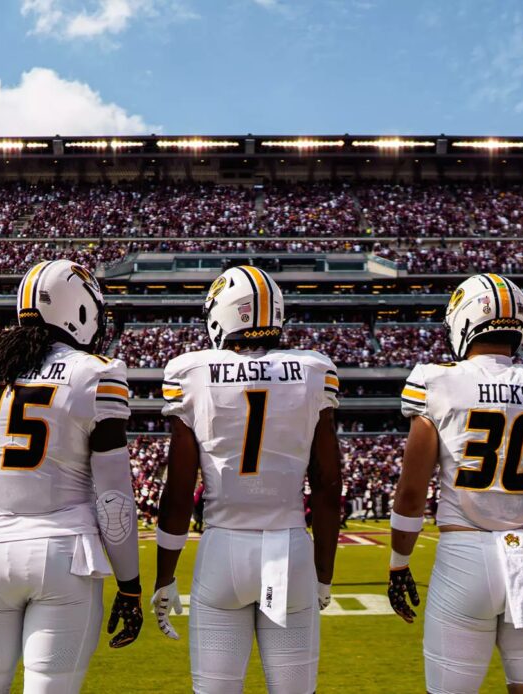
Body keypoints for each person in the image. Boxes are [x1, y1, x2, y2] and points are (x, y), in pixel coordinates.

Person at [388, 273, 523, 694]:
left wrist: (398, 562)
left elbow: (411, 492)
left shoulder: (438, 381)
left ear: (462, 322)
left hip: (465, 554)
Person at [0, 260, 143, 694]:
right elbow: (114, 496)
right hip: (64, 553)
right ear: (80, 310)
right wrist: (129, 585)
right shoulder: (95, 373)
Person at [150, 265, 343, 694]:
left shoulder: (192, 372)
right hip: (290, 547)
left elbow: (179, 490)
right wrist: (323, 574)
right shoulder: (313, 370)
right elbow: (328, 487)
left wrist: (165, 575)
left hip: (223, 547)